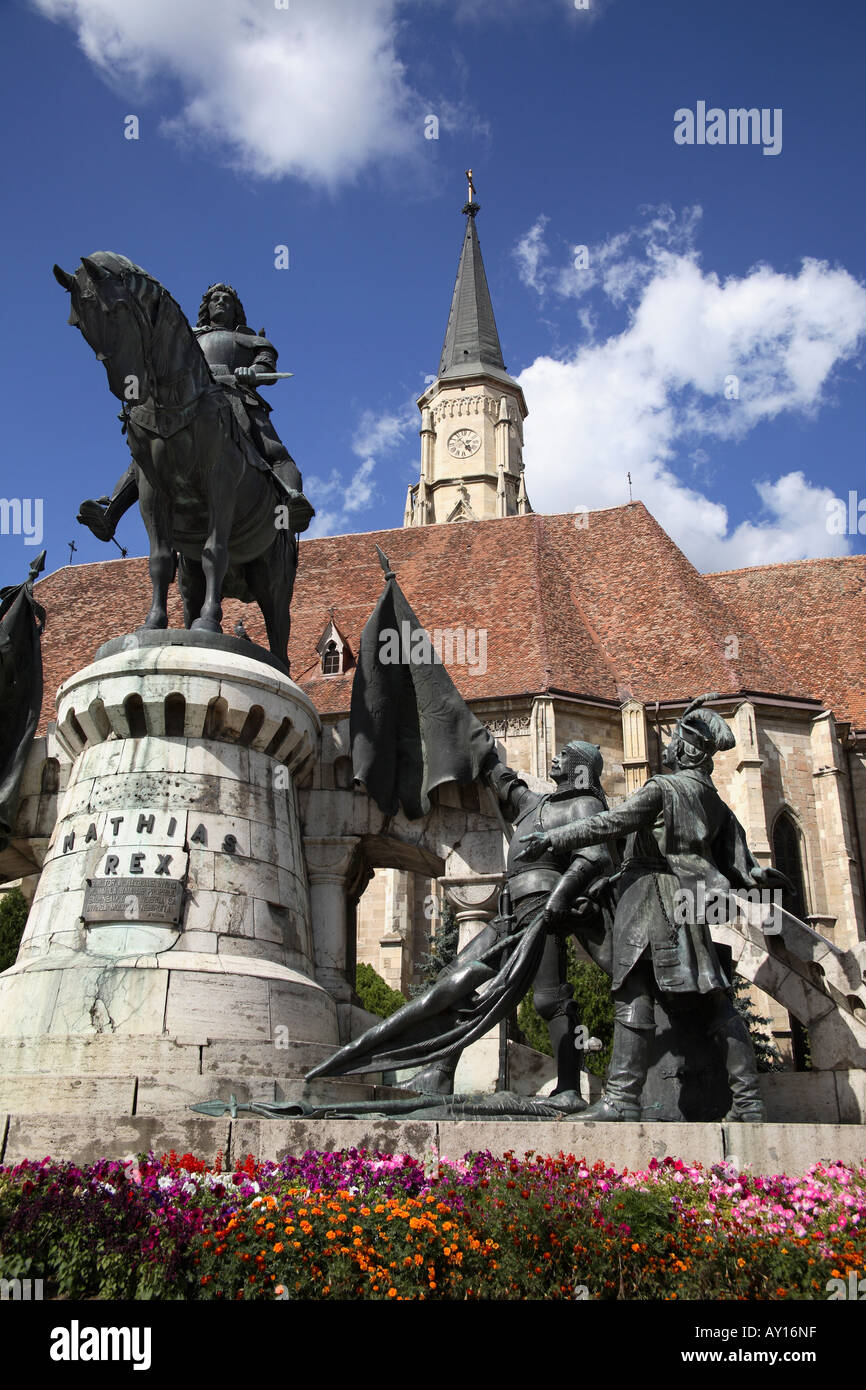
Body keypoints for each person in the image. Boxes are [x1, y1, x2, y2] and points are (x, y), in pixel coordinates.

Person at [518, 697, 791, 1122]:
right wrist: (761, 879)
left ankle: (621, 1100)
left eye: (674, 742)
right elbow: (741, 863)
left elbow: (610, 823)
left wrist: (553, 839)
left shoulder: (662, 790)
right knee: (714, 1000)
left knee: (632, 994)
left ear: (686, 751)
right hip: (689, 904)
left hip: (648, 901)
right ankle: (749, 1103)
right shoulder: (712, 801)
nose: (666, 748)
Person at [77, 282, 310, 541]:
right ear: (206, 307)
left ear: (236, 310)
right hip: (189, 401)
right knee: (146, 451)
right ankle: (110, 514)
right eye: (215, 299)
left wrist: (252, 373)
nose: (220, 302)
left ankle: (292, 502)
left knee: (273, 451)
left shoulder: (253, 340)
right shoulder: (188, 337)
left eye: (227, 300)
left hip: (238, 397)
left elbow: (267, 369)